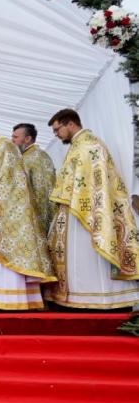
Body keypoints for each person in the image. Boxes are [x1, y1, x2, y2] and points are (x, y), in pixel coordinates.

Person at [45, 109, 139, 309]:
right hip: (75, 209)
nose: (56, 135)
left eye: (57, 129)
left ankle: (100, 298)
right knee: (78, 257)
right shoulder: (78, 146)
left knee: (89, 255)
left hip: (85, 209)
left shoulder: (90, 145)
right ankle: (78, 297)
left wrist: (80, 202)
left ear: (70, 124)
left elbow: (95, 182)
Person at [0, 122, 55, 310]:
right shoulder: (3, 149)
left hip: (6, 215)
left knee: (6, 258)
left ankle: (10, 301)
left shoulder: (4, 148)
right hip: (10, 212)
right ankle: (16, 300)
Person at [12, 122, 56, 238]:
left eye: (15, 137)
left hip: (35, 216)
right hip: (44, 212)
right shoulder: (38, 155)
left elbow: (40, 190)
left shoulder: (31, 158)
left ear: (27, 139)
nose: (12, 140)